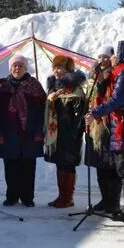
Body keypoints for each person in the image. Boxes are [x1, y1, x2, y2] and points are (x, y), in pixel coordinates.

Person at [87, 41, 124, 222]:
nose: (111, 57)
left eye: (116, 53)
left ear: (121, 54)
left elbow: (116, 100)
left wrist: (95, 113)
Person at [0, 54, 45, 207]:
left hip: (29, 134)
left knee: (28, 167)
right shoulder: (3, 87)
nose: (17, 68)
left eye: (20, 65)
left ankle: (27, 197)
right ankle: (12, 196)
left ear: (25, 68)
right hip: (9, 134)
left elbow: (42, 111)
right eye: (14, 66)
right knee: (11, 168)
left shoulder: (34, 86)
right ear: (10, 68)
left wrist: (38, 132)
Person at [43, 55, 86, 208]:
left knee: (68, 165)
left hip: (70, 134)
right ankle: (61, 195)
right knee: (60, 164)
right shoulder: (54, 88)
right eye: (54, 68)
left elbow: (80, 114)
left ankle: (68, 197)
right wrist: (50, 99)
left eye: (59, 68)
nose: (56, 71)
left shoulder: (75, 89)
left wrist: (75, 133)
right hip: (56, 133)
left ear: (68, 69)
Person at [84, 46, 120, 213]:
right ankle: (105, 199)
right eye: (99, 56)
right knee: (100, 165)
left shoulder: (115, 75)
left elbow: (112, 97)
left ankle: (114, 201)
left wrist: (103, 79)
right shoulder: (92, 77)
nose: (102, 59)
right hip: (95, 126)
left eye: (106, 56)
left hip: (109, 125)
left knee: (111, 165)